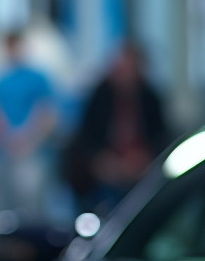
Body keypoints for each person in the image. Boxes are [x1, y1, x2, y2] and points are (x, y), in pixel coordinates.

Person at [62, 39, 171, 216]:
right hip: (104, 169)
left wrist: (145, 158)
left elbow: (161, 137)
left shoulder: (151, 98)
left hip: (140, 169)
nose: (121, 75)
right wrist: (100, 160)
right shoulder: (100, 95)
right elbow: (85, 137)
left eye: (127, 70)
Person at [0, 28, 57, 218]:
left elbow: (46, 114)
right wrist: (7, 140)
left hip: (32, 152)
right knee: (2, 209)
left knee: (32, 208)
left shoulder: (38, 79)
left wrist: (28, 140)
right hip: (4, 152)